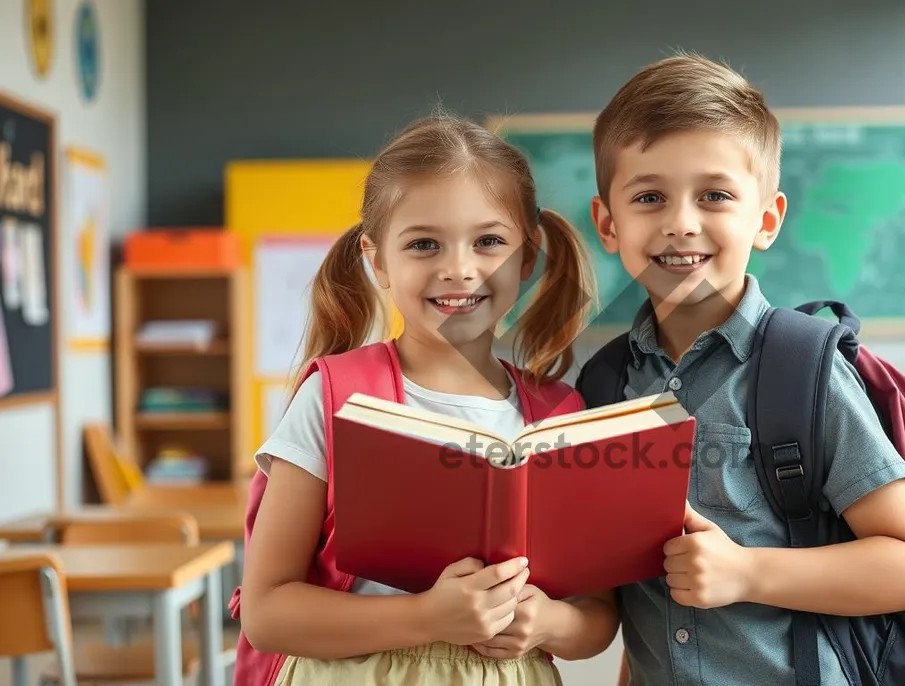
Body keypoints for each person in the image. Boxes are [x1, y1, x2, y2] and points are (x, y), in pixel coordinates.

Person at [578, 52, 905, 686]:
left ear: (767, 219)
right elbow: (638, 602)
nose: (680, 223)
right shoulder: (604, 383)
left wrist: (747, 572)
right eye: (649, 197)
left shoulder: (803, 370)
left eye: (715, 195)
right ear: (609, 224)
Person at [234, 111, 618, 686]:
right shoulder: (334, 397)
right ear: (377, 261)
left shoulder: (561, 413)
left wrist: (546, 623)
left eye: (489, 241)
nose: (458, 269)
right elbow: (267, 614)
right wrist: (425, 616)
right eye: (423, 244)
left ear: (529, 258)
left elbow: (597, 619)